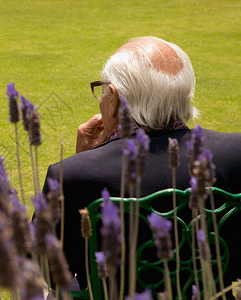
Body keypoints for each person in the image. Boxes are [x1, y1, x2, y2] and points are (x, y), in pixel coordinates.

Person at [42, 36, 241, 292]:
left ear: (113, 98)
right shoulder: (235, 153)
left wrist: (80, 160)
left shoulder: (71, 175)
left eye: (102, 90)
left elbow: (45, 266)